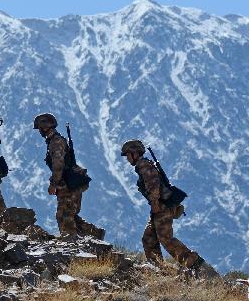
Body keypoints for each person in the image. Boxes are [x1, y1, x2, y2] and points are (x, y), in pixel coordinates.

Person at [122, 139, 217, 276]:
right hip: (159, 208)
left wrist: (154, 203)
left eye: (128, 155)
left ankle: (198, 267)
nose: (127, 159)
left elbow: (153, 184)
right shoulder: (144, 164)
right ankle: (157, 270)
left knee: (166, 239)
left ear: (134, 153)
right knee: (149, 238)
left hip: (161, 207)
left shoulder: (143, 165)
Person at [33, 113, 103, 239]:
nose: (39, 131)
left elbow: (58, 165)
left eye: (39, 128)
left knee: (64, 216)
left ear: (44, 127)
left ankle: (70, 244)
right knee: (70, 215)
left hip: (68, 185)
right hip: (68, 183)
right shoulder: (54, 141)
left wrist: (53, 184)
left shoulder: (56, 142)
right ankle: (95, 234)